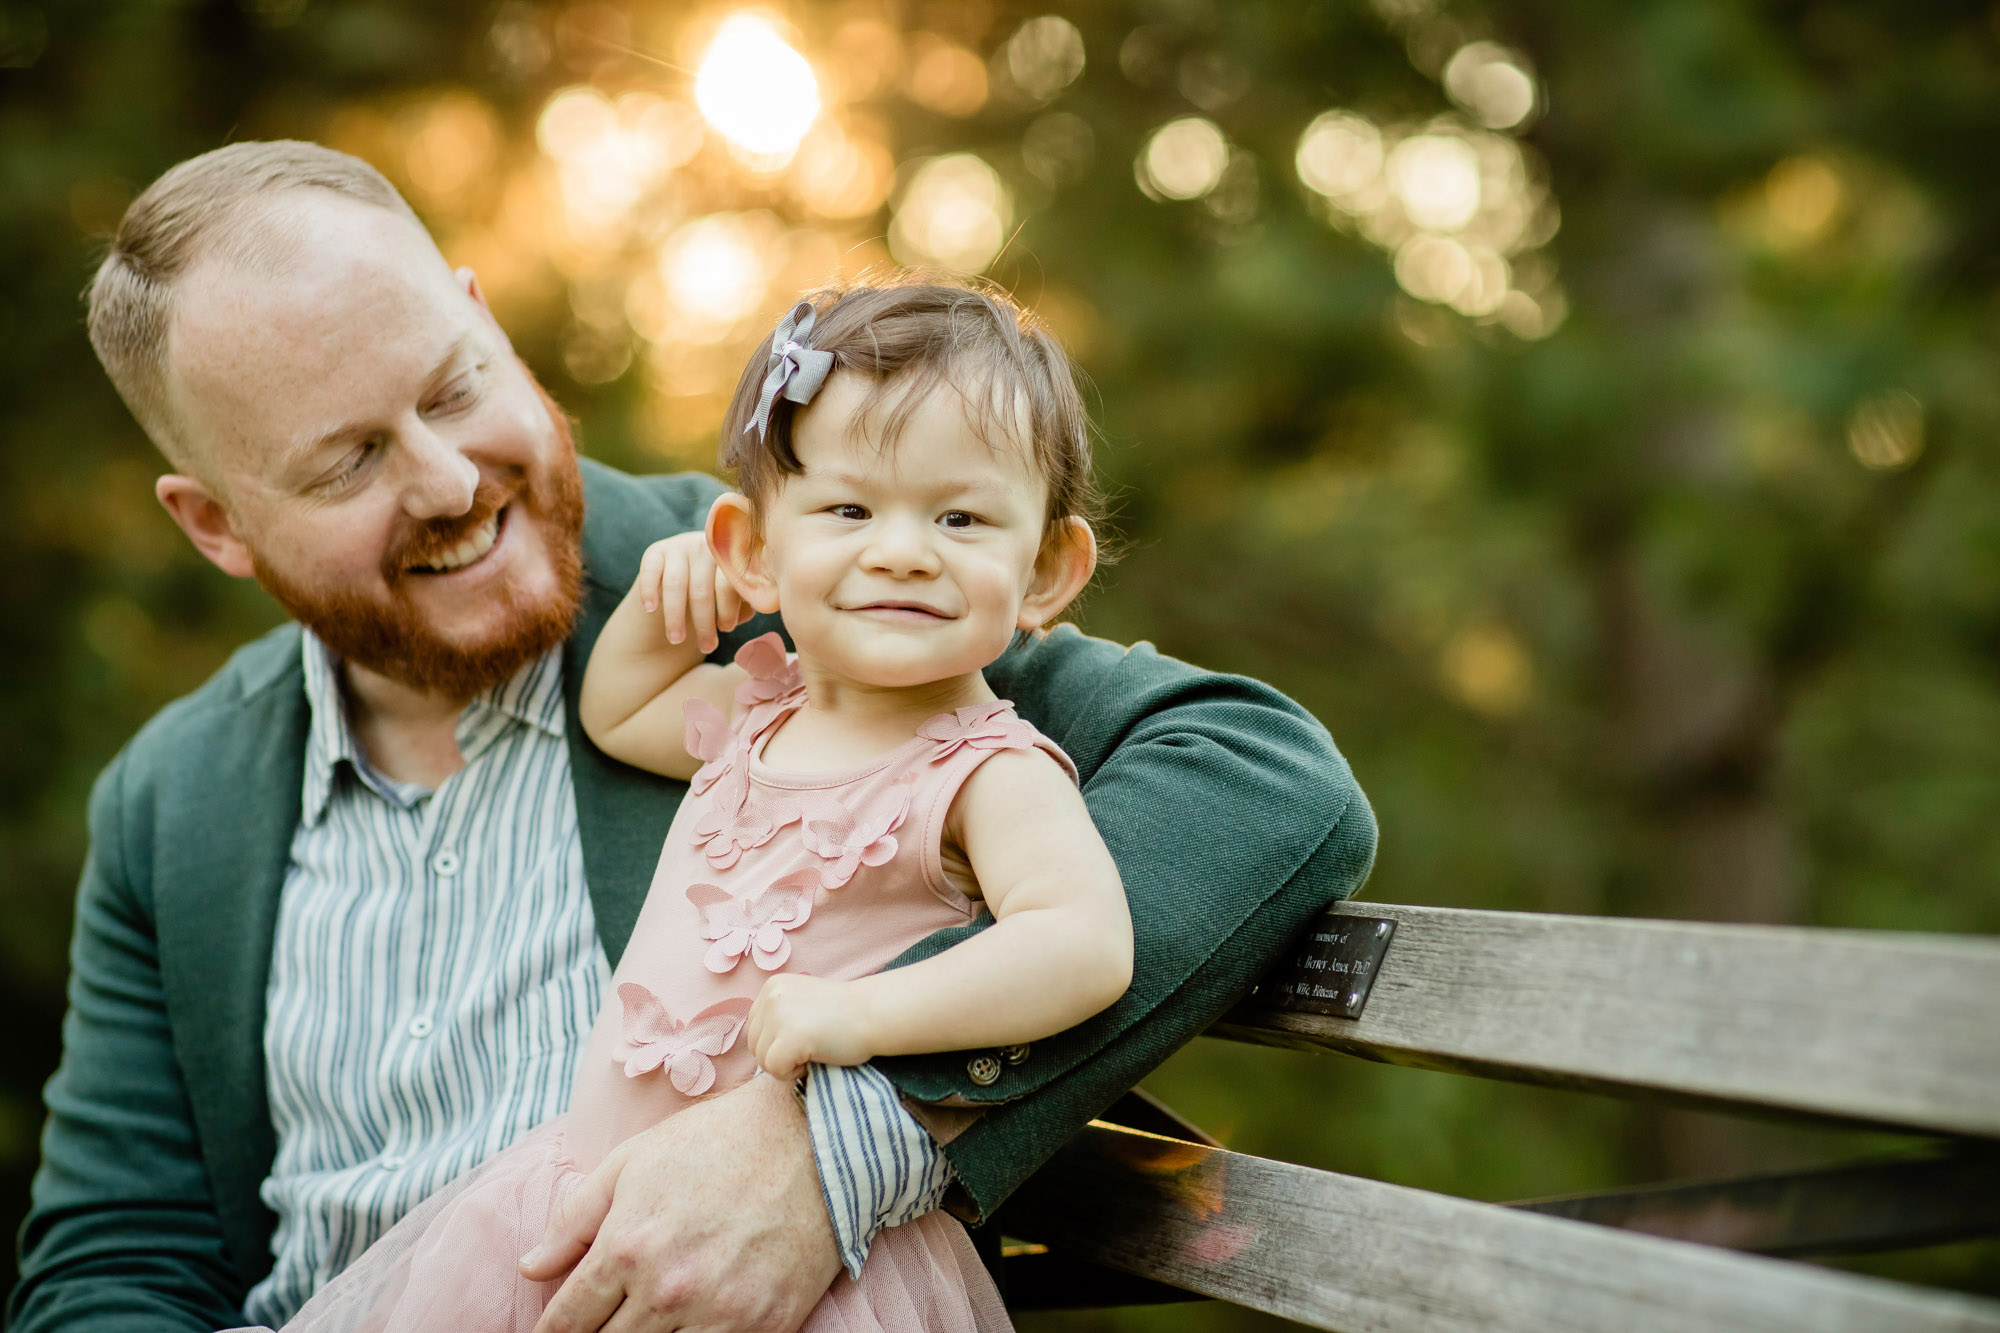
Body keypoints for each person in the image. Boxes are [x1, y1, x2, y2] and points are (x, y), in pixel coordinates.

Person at [8, 141, 1376, 1333]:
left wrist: (843, 1133)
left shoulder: (807, 584)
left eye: (452, 384)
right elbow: (114, 1264)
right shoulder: (173, 804)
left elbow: (1262, 778)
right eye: (347, 460)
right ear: (215, 525)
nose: (445, 479)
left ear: (485, 319)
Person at [264, 279, 1134, 1333]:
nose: (901, 549)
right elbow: (617, 710)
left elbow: (1082, 944)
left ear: (1045, 570)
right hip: (589, 1197)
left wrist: (868, 1014)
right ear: (755, 549)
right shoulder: (757, 712)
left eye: (958, 517)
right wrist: (669, 597)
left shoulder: (984, 770)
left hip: (816, 1259)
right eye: (848, 510)